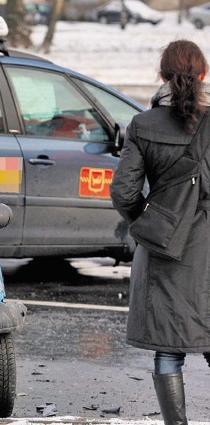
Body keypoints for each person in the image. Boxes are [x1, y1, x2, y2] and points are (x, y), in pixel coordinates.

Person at [110, 40, 210, 425]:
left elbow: (123, 192)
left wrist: (151, 221)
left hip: (167, 247)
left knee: (169, 349)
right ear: (202, 75)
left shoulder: (143, 124)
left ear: (163, 75)